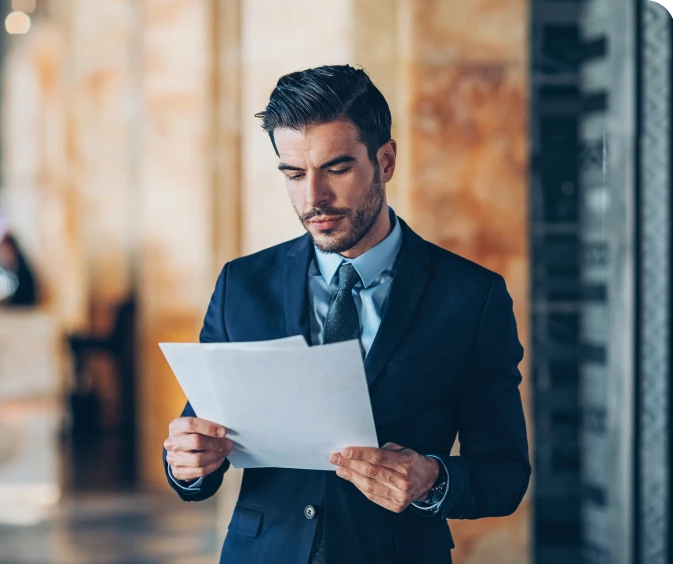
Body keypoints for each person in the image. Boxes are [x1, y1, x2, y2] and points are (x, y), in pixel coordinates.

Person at [163, 65, 530, 564]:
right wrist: (187, 463)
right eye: (293, 174)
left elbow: (505, 473)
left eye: (336, 168)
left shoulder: (471, 296)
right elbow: (201, 445)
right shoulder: (241, 286)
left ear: (386, 160)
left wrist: (432, 480)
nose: (313, 198)